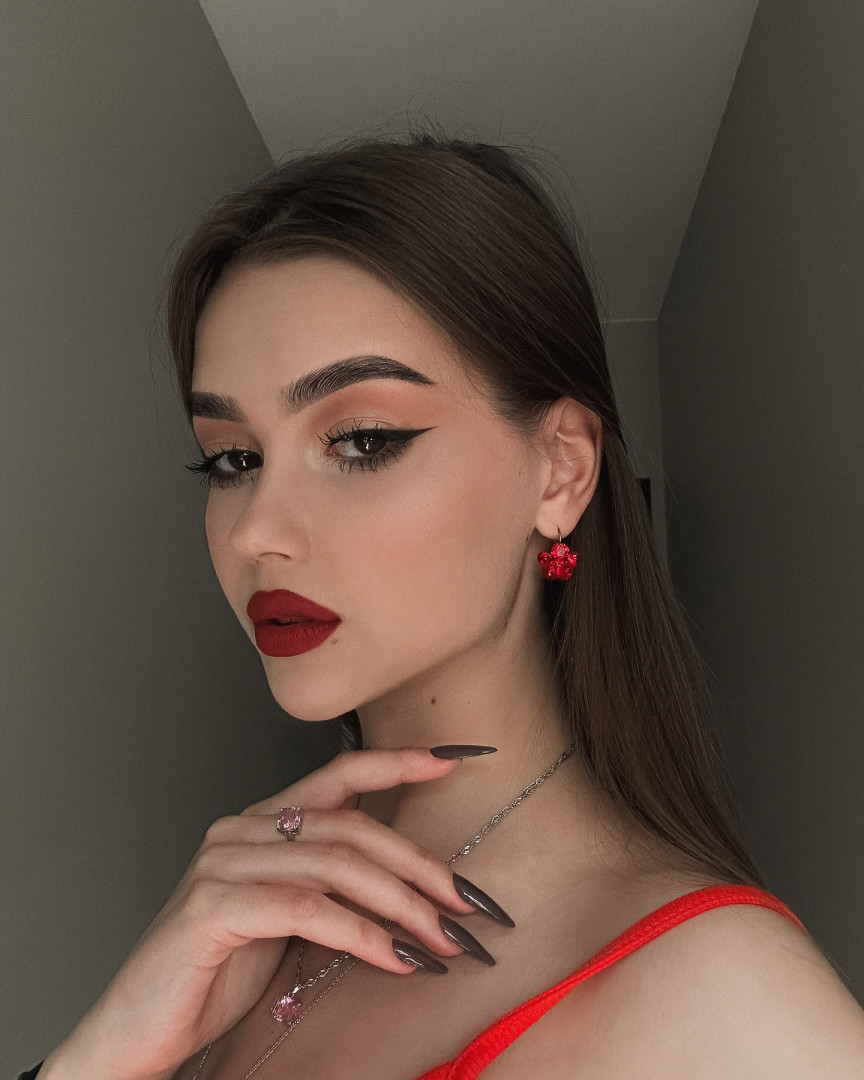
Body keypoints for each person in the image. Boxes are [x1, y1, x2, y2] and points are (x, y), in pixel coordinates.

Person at [27, 126, 864, 1080]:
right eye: (232, 458)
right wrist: (100, 1057)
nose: (257, 529)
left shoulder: (730, 1006)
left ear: (562, 470)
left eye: (364, 439)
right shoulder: (236, 933)